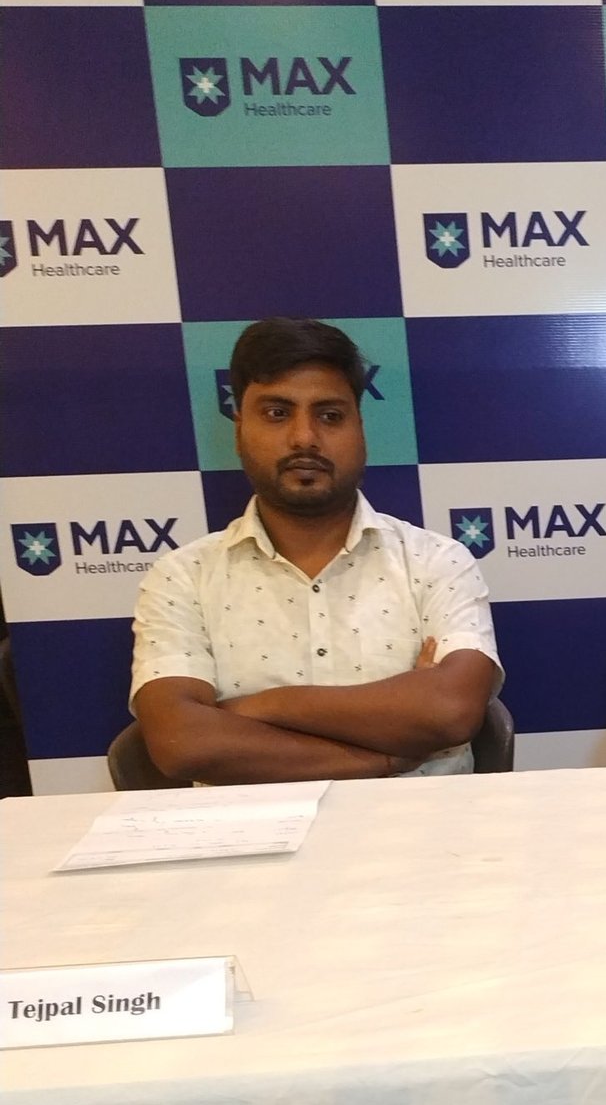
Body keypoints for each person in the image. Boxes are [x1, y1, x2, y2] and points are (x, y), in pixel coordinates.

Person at [132, 317, 502, 782]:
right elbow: (182, 742)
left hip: (423, 824)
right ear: (239, 429)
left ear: (360, 428)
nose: (304, 437)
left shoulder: (436, 562)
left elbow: (449, 711)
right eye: (277, 413)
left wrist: (255, 707)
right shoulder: (183, 576)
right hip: (252, 826)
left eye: (330, 416)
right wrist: (386, 758)